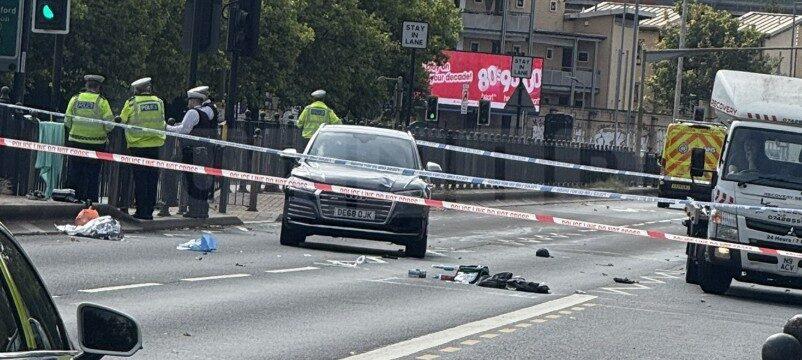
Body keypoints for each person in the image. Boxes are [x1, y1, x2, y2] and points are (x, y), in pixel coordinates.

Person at [119, 77, 166, 220]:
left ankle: (141, 211)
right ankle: (149, 211)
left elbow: (121, 120)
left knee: (140, 180)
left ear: (136, 90)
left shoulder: (132, 103)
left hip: (138, 146)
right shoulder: (159, 102)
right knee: (152, 179)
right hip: (155, 146)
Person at [167, 87, 218, 218]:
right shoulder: (205, 114)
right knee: (201, 181)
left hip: (191, 152)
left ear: (194, 100)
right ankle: (202, 210)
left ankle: (194, 210)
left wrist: (167, 128)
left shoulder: (193, 113)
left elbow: (184, 130)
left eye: (189, 100)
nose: (188, 103)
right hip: (203, 152)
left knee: (190, 181)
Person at [64, 75, 114, 203]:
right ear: (98, 87)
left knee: (75, 172)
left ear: (86, 85)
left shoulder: (75, 99)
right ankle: (91, 201)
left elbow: (67, 120)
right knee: (92, 175)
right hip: (96, 144)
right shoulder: (102, 102)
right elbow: (110, 125)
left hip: (76, 141)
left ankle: (73, 197)